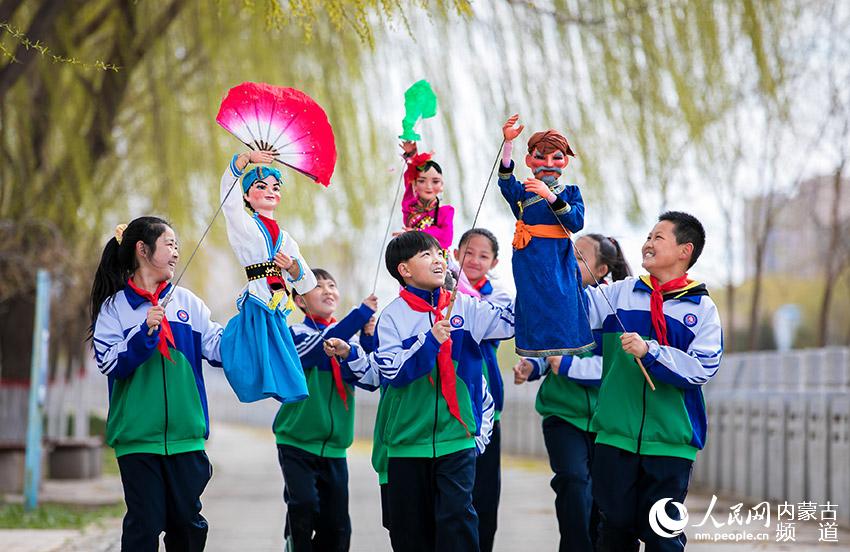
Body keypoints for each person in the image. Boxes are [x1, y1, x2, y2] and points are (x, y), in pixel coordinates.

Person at [346, 231, 514, 551]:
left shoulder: (465, 306)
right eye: (426, 255)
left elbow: (511, 321)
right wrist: (430, 341)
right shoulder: (392, 317)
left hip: (457, 440)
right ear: (404, 270)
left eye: (439, 254)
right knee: (411, 534)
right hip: (407, 445)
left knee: (459, 524)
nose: (438, 260)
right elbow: (394, 373)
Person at [586, 212, 722, 552]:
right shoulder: (617, 294)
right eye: (648, 236)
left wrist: (651, 352)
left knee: (662, 536)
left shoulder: (702, 308)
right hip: (614, 437)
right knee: (613, 532)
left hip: (670, 442)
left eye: (658, 237)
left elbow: (703, 367)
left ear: (684, 251)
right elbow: (570, 313)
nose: (647, 243)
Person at [90, 216, 223, 551]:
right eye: (170, 244)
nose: (177, 252)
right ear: (143, 249)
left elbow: (219, 349)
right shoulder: (114, 309)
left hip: (187, 440)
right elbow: (109, 363)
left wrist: (251, 318)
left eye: (177, 246)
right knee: (144, 526)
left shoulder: (188, 303)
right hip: (137, 442)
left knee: (188, 526)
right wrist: (143, 332)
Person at [514, 233, 631, 552]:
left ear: (602, 270)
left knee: (603, 496)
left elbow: (611, 369)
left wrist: (564, 365)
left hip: (608, 420)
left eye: (579, 257)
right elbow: (547, 351)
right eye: (568, 254)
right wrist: (532, 366)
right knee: (574, 483)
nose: (569, 261)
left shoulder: (615, 308)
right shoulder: (556, 300)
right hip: (562, 413)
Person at [272, 268, 379, 551]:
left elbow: (366, 377)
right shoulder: (295, 335)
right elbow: (321, 347)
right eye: (318, 286)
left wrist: (367, 336)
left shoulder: (347, 341)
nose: (328, 290)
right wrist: (359, 315)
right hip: (296, 442)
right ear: (300, 300)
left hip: (335, 448)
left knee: (337, 526)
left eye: (332, 285)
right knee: (303, 505)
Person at [218, 150, 317, 403]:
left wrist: (292, 266)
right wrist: (244, 160)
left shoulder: (286, 239)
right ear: (246, 196)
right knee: (254, 348)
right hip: (258, 295)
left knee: (280, 348)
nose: (270, 191)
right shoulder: (244, 225)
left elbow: (308, 282)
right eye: (261, 187)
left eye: (275, 187)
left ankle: (284, 386)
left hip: (278, 299)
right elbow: (228, 199)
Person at [498, 114, 593, 357]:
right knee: (532, 300)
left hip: (559, 255)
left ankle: (570, 343)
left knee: (565, 298)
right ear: (529, 161)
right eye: (541, 157)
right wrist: (508, 144)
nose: (549, 163)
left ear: (565, 162)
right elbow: (506, 182)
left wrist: (549, 196)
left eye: (556, 157)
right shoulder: (523, 191)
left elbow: (576, 222)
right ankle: (535, 348)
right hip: (529, 256)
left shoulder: (571, 192)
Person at [452, 228, 512, 552]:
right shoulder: (438, 288)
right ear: (456, 253)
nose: (474, 260)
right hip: (451, 408)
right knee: (453, 497)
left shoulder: (499, 297)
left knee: (485, 496)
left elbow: (479, 315)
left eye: (483, 256)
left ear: (494, 263)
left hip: (486, 411)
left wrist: (454, 278)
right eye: (468, 253)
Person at [395, 140, 455, 249]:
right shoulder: (410, 208)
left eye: (435, 181)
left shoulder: (445, 212)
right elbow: (410, 180)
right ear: (415, 185)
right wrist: (412, 156)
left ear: (442, 186)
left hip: (436, 257)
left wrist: (416, 233)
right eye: (422, 181)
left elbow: (446, 238)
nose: (429, 186)